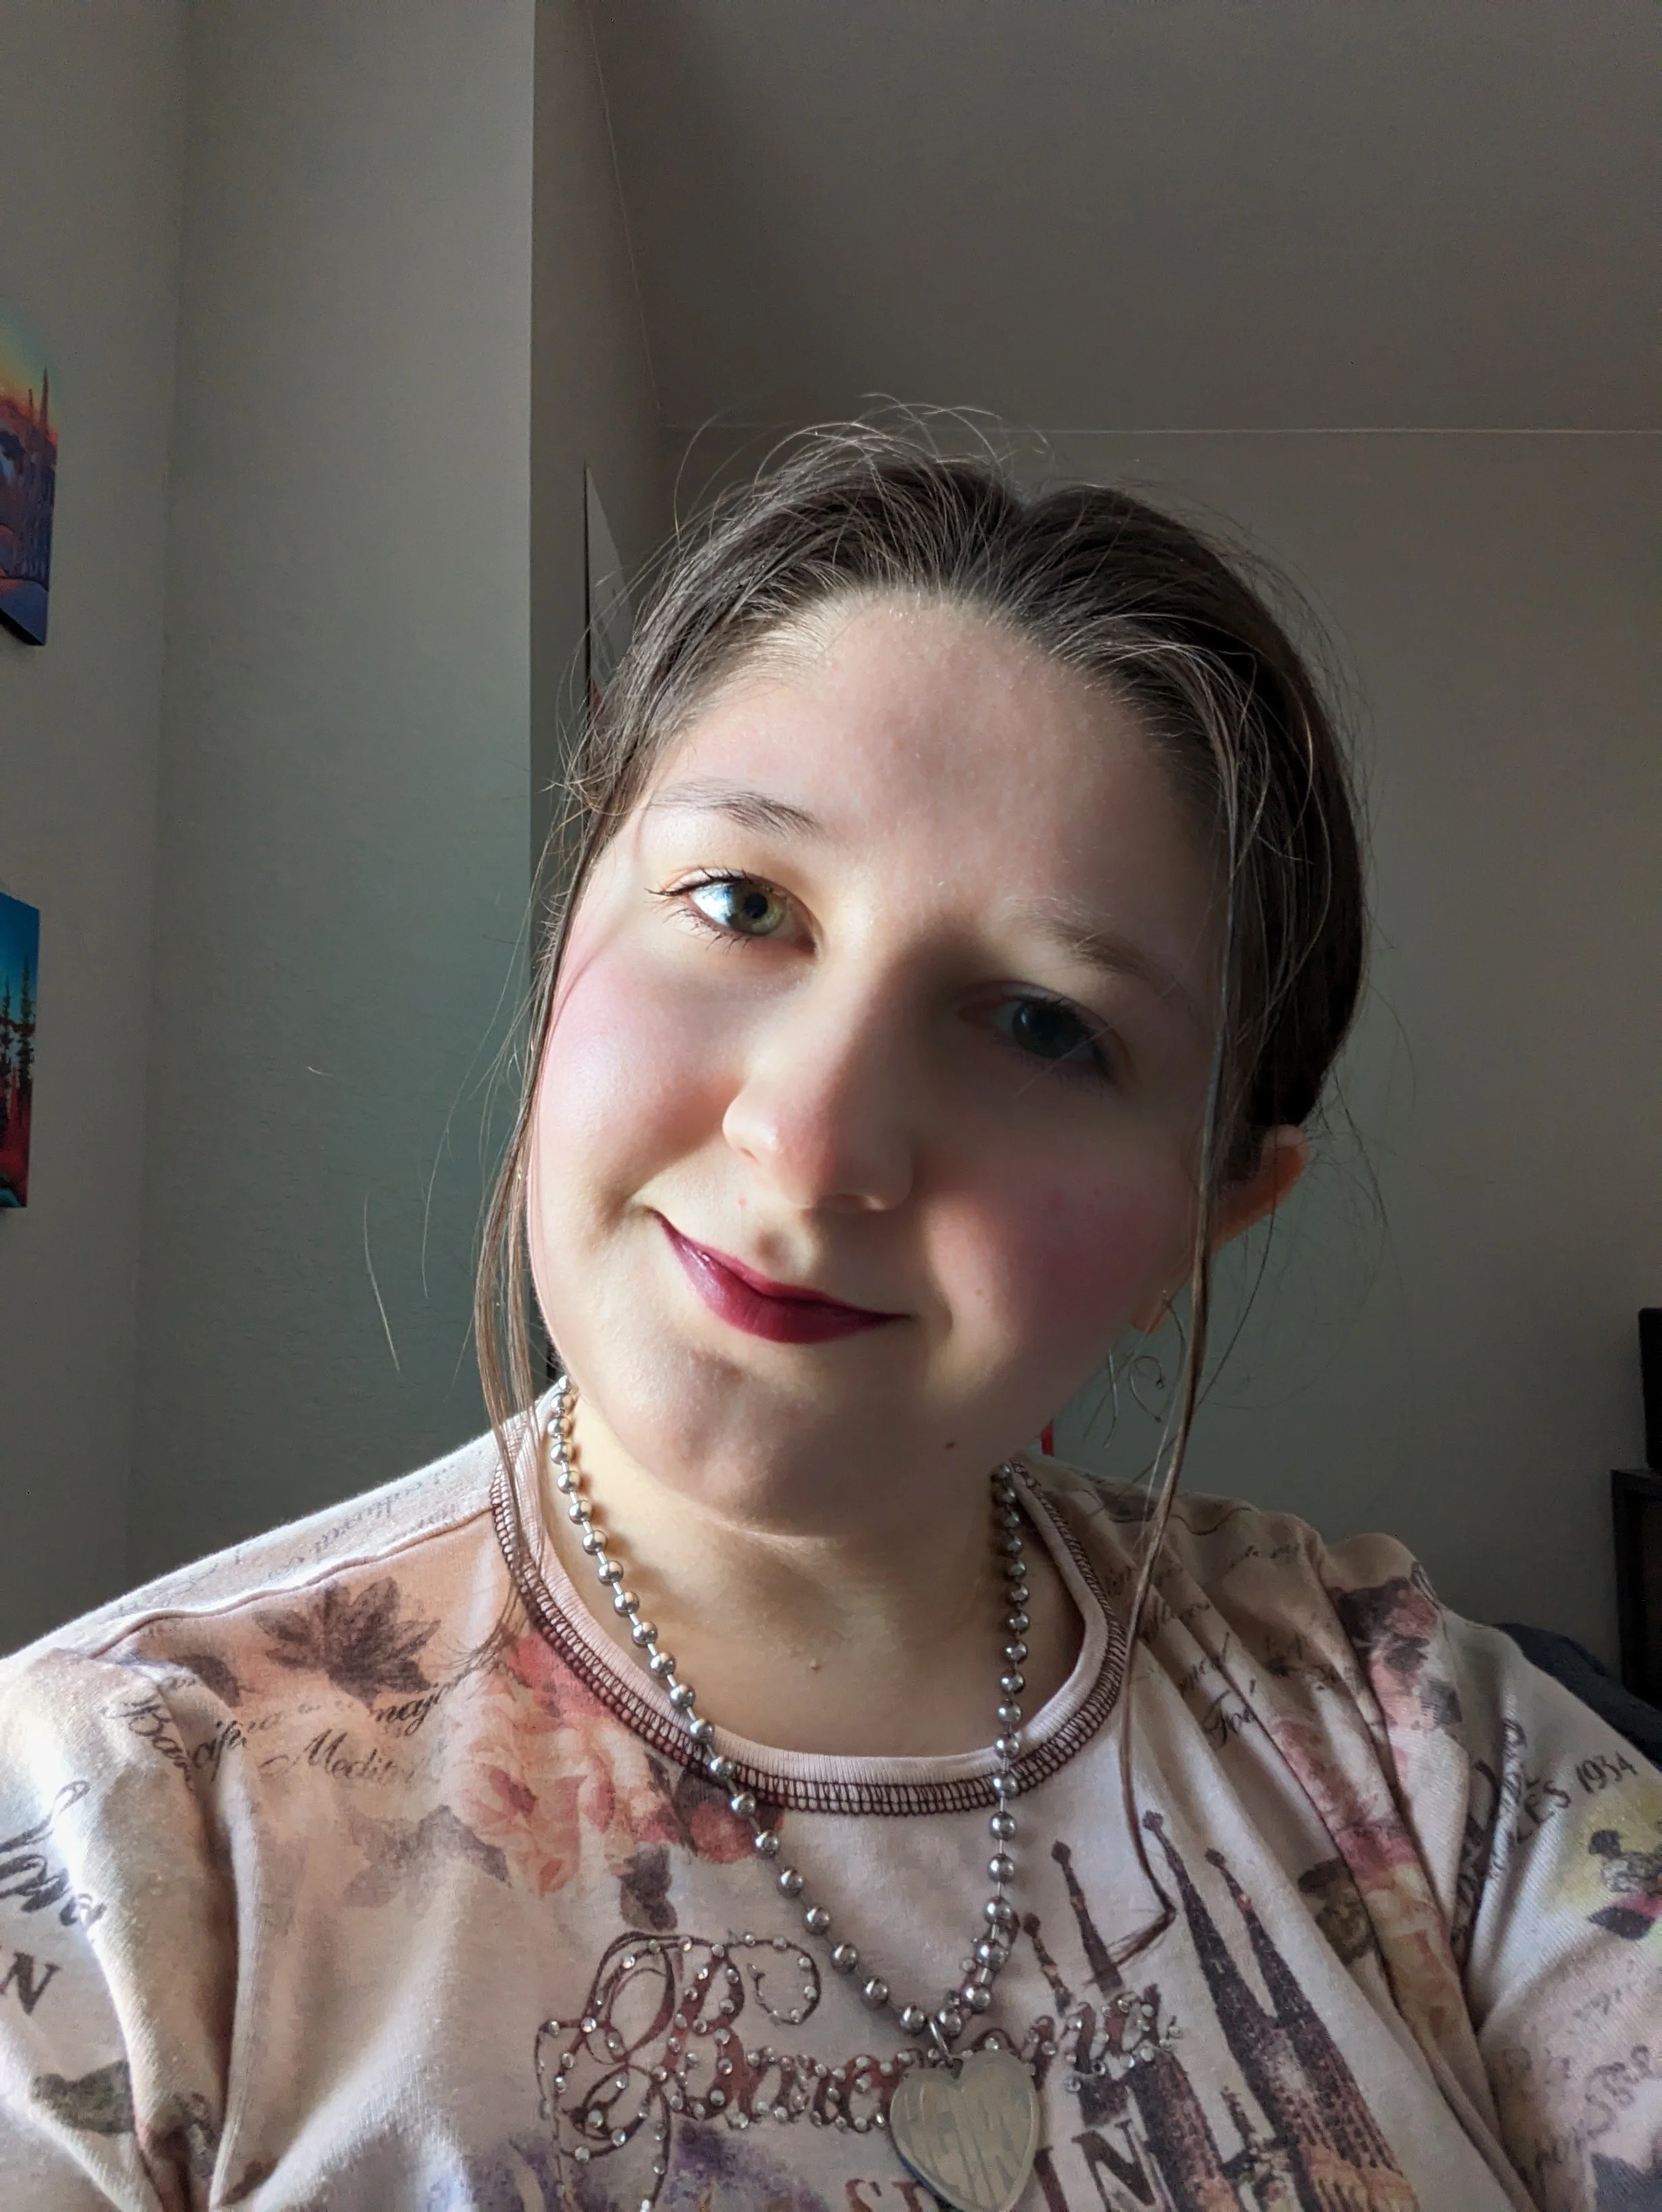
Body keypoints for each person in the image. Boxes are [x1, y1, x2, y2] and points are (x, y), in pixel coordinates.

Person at [1, 430, 1656, 2212]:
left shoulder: (1434, 1760)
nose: (811, 1137)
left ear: (1208, 1212)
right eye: (741, 905)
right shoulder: (120, 1831)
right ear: (570, 929)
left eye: (1043, 1026)